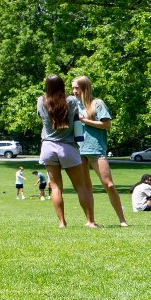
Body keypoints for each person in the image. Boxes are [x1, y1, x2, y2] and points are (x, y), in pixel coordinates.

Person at [37, 74, 98, 228]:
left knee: (56, 187)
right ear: (62, 86)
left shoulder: (41, 101)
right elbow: (77, 119)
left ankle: (62, 222)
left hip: (48, 147)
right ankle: (90, 221)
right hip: (68, 147)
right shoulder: (71, 101)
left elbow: (42, 118)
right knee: (80, 187)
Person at [73, 76, 127, 227]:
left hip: (96, 149)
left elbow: (107, 125)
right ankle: (90, 221)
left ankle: (122, 220)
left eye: (77, 88)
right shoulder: (73, 104)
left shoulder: (97, 103)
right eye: (73, 88)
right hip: (78, 149)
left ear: (85, 88)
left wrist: (84, 120)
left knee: (108, 184)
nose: (74, 91)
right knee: (86, 187)